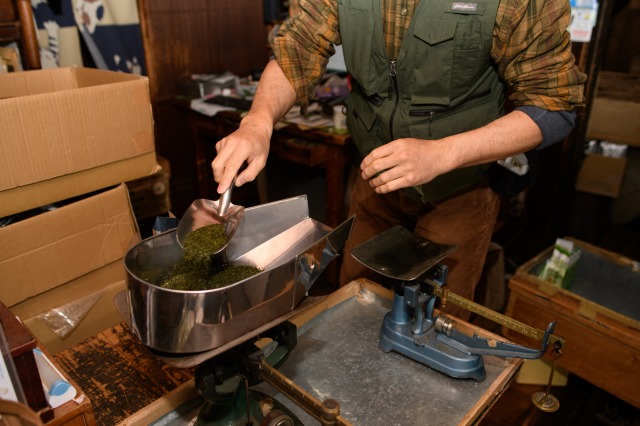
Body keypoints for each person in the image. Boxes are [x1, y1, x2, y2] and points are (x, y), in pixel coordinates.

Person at [211, 0, 586, 319]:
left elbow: (554, 106)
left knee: (436, 319)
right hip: (375, 179)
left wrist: (445, 152)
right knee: (354, 301)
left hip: (460, 190)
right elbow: (298, 47)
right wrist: (258, 121)